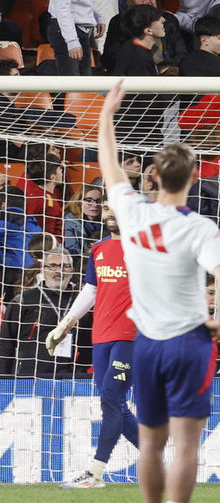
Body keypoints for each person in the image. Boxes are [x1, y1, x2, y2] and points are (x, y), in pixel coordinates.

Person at [96, 80, 220, 503]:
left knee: (150, 442)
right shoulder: (201, 227)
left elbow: (109, 163)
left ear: (152, 176)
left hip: (145, 343)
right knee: (186, 442)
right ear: (193, 177)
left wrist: (107, 115)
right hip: (189, 341)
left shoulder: (131, 212)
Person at [45, 206, 137, 487]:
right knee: (114, 403)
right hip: (101, 336)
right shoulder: (98, 249)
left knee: (111, 398)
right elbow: (91, 289)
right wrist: (64, 324)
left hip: (132, 335)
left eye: (116, 206)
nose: (110, 212)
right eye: (106, 207)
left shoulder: (145, 249)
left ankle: (96, 472)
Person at [0, 245, 80, 377]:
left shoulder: (80, 302)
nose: (58, 270)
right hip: (28, 377)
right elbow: (6, 344)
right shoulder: (23, 300)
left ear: (72, 271)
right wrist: (3, 380)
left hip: (69, 377)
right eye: (52, 266)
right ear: (42, 270)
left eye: (64, 266)